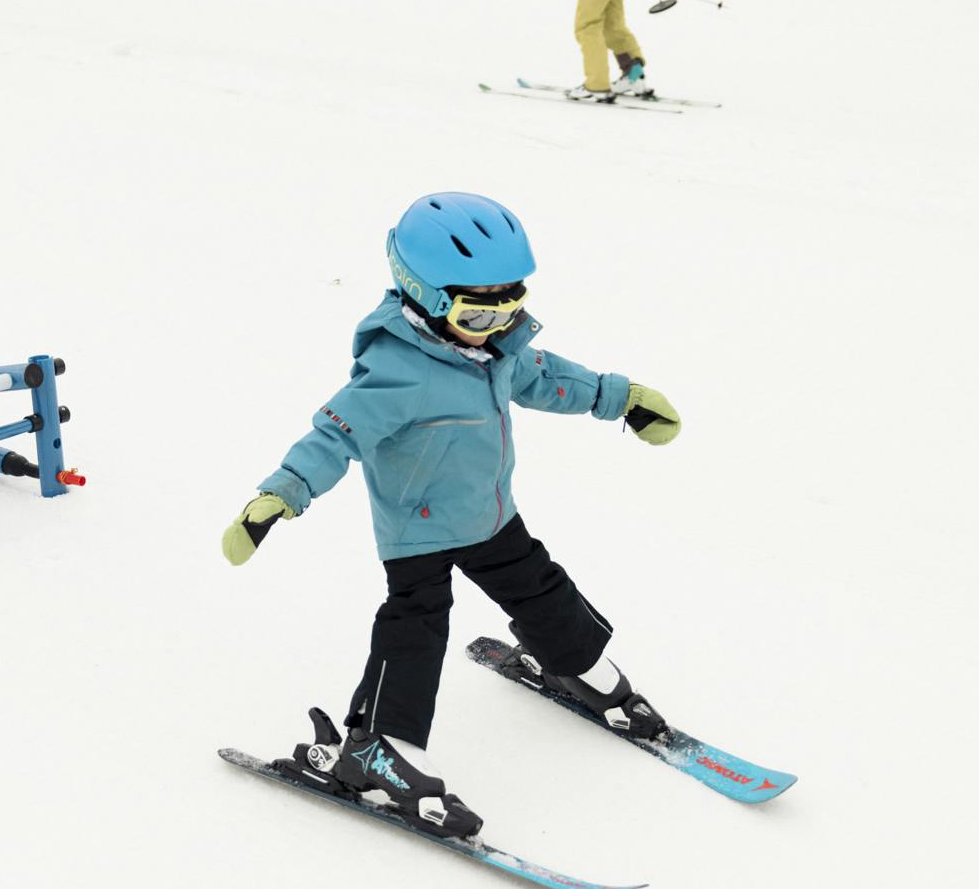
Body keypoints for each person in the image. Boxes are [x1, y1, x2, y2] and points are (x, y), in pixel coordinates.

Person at [220, 192, 683, 839]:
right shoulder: (397, 372)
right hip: (418, 530)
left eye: (510, 301)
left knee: (542, 589)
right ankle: (376, 749)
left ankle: (576, 665)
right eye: (477, 306)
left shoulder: (498, 352)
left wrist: (621, 398)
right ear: (426, 296)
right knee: (416, 627)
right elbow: (334, 437)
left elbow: (550, 378)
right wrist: (283, 491)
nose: (496, 321)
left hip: (491, 514)